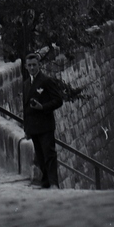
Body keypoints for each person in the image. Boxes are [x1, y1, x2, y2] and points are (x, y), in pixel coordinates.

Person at [22, 51, 65, 188]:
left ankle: (53, 183)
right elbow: (26, 108)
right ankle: (46, 182)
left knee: (49, 155)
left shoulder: (46, 81)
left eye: (34, 65)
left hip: (45, 125)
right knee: (40, 157)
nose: (32, 68)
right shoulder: (26, 83)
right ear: (25, 66)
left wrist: (43, 107)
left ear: (39, 65)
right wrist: (26, 128)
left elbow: (58, 100)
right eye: (30, 65)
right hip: (33, 127)